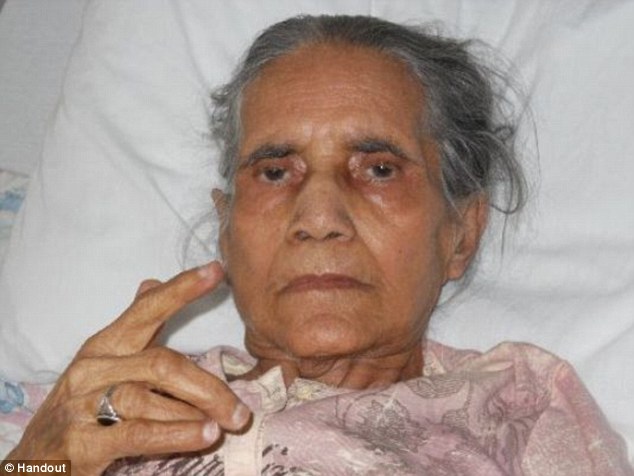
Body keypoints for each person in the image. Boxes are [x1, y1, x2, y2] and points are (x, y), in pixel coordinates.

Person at [3, 14, 633, 476]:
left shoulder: (520, 405)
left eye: (379, 169)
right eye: (275, 172)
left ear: (460, 234)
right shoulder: (104, 401)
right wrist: (40, 462)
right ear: (227, 230)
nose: (319, 217)